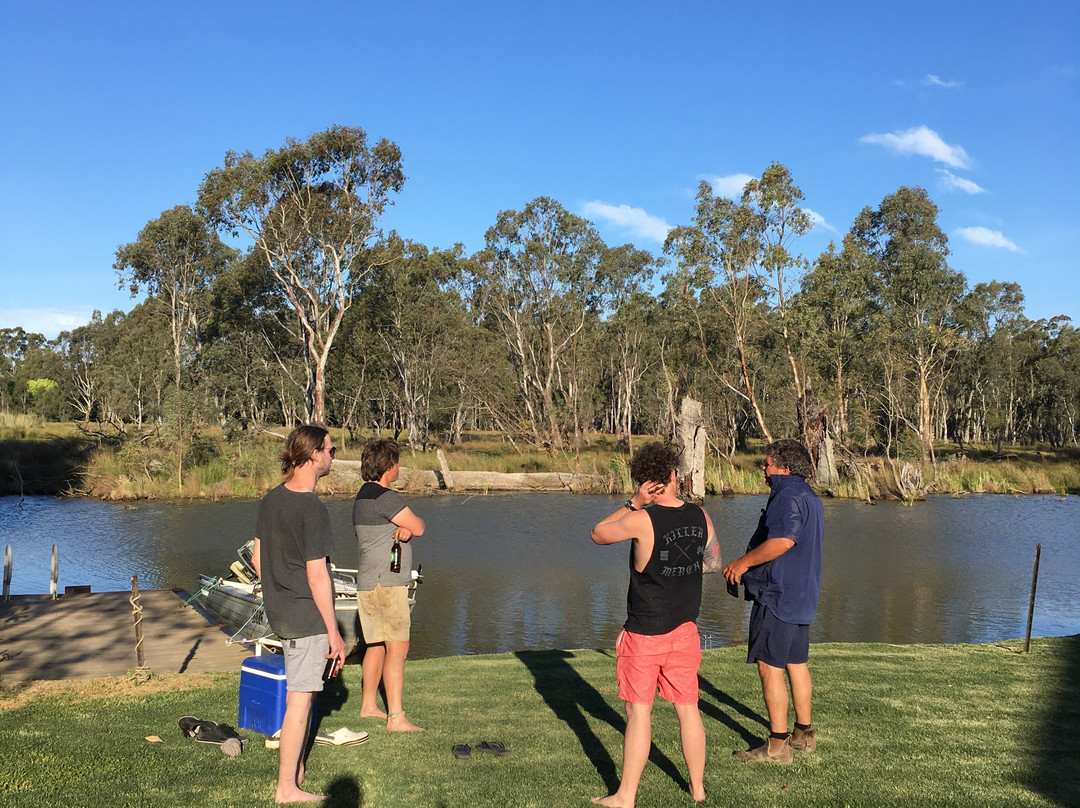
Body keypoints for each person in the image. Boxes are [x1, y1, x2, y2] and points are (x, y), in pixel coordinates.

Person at [589, 442, 722, 807]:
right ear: (675, 476)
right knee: (688, 708)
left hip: (645, 632)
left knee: (638, 712)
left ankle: (626, 796)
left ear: (646, 481)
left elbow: (598, 533)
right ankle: (697, 789)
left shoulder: (639, 519)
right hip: (685, 630)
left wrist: (633, 502)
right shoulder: (701, 516)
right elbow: (711, 563)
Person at [251, 424, 346, 804]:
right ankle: (286, 788)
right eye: (331, 450)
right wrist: (334, 631)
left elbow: (258, 558)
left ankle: (298, 769)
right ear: (313, 456)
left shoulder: (271, 499)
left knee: (303, 694)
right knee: (301, 699)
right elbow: (317, 574)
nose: (332, 456)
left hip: (280, 612)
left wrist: (279, 592)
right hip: (305, 616)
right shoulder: (312, 508)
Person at [722, 439, 824, 763]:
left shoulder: (787, 495)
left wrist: (742, 564)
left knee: (769, 665)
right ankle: (804, 735)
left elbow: (782, 540)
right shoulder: (810, 497)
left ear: (785, 468)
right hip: (803, 595)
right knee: (797, 663)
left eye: (767, 464)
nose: (763, 469)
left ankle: (777, 746)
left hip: (778, 596)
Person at [353, 438, 426, 732]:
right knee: (398, 648)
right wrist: (409, 528)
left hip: (368, 583)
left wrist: (402, 530)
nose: (398, 467)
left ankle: (369, 705)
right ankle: (396, 718)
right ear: (389, 467)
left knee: (376, 646)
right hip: (388, 585)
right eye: (396, 462)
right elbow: (420, 526)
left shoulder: (361, 497)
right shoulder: (386, 498)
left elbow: (393, 531)